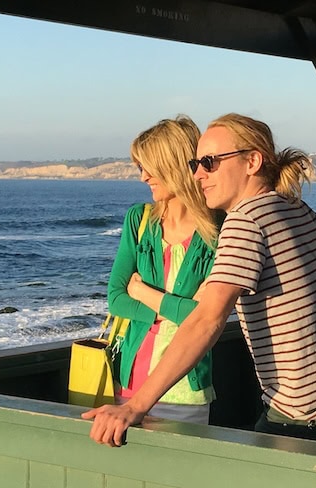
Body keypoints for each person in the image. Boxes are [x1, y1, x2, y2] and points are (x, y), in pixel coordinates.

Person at [83, 113, 316, 446]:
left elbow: (206, 321)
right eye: (196, 164)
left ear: (252, 161)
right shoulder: (291, 208)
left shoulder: (244, 222)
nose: (197, 175)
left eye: (209, 163)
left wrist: (135, 406)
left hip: (309, 413)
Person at [103, 115, 221, 424]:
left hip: (186, 393)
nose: (143, 177)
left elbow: (204, 320)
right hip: (127, 386)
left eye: (148, 167)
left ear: (174, 164)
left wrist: (141, 292)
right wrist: (178, 309)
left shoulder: (218, 231)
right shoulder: (139, 221)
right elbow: (116, 298)